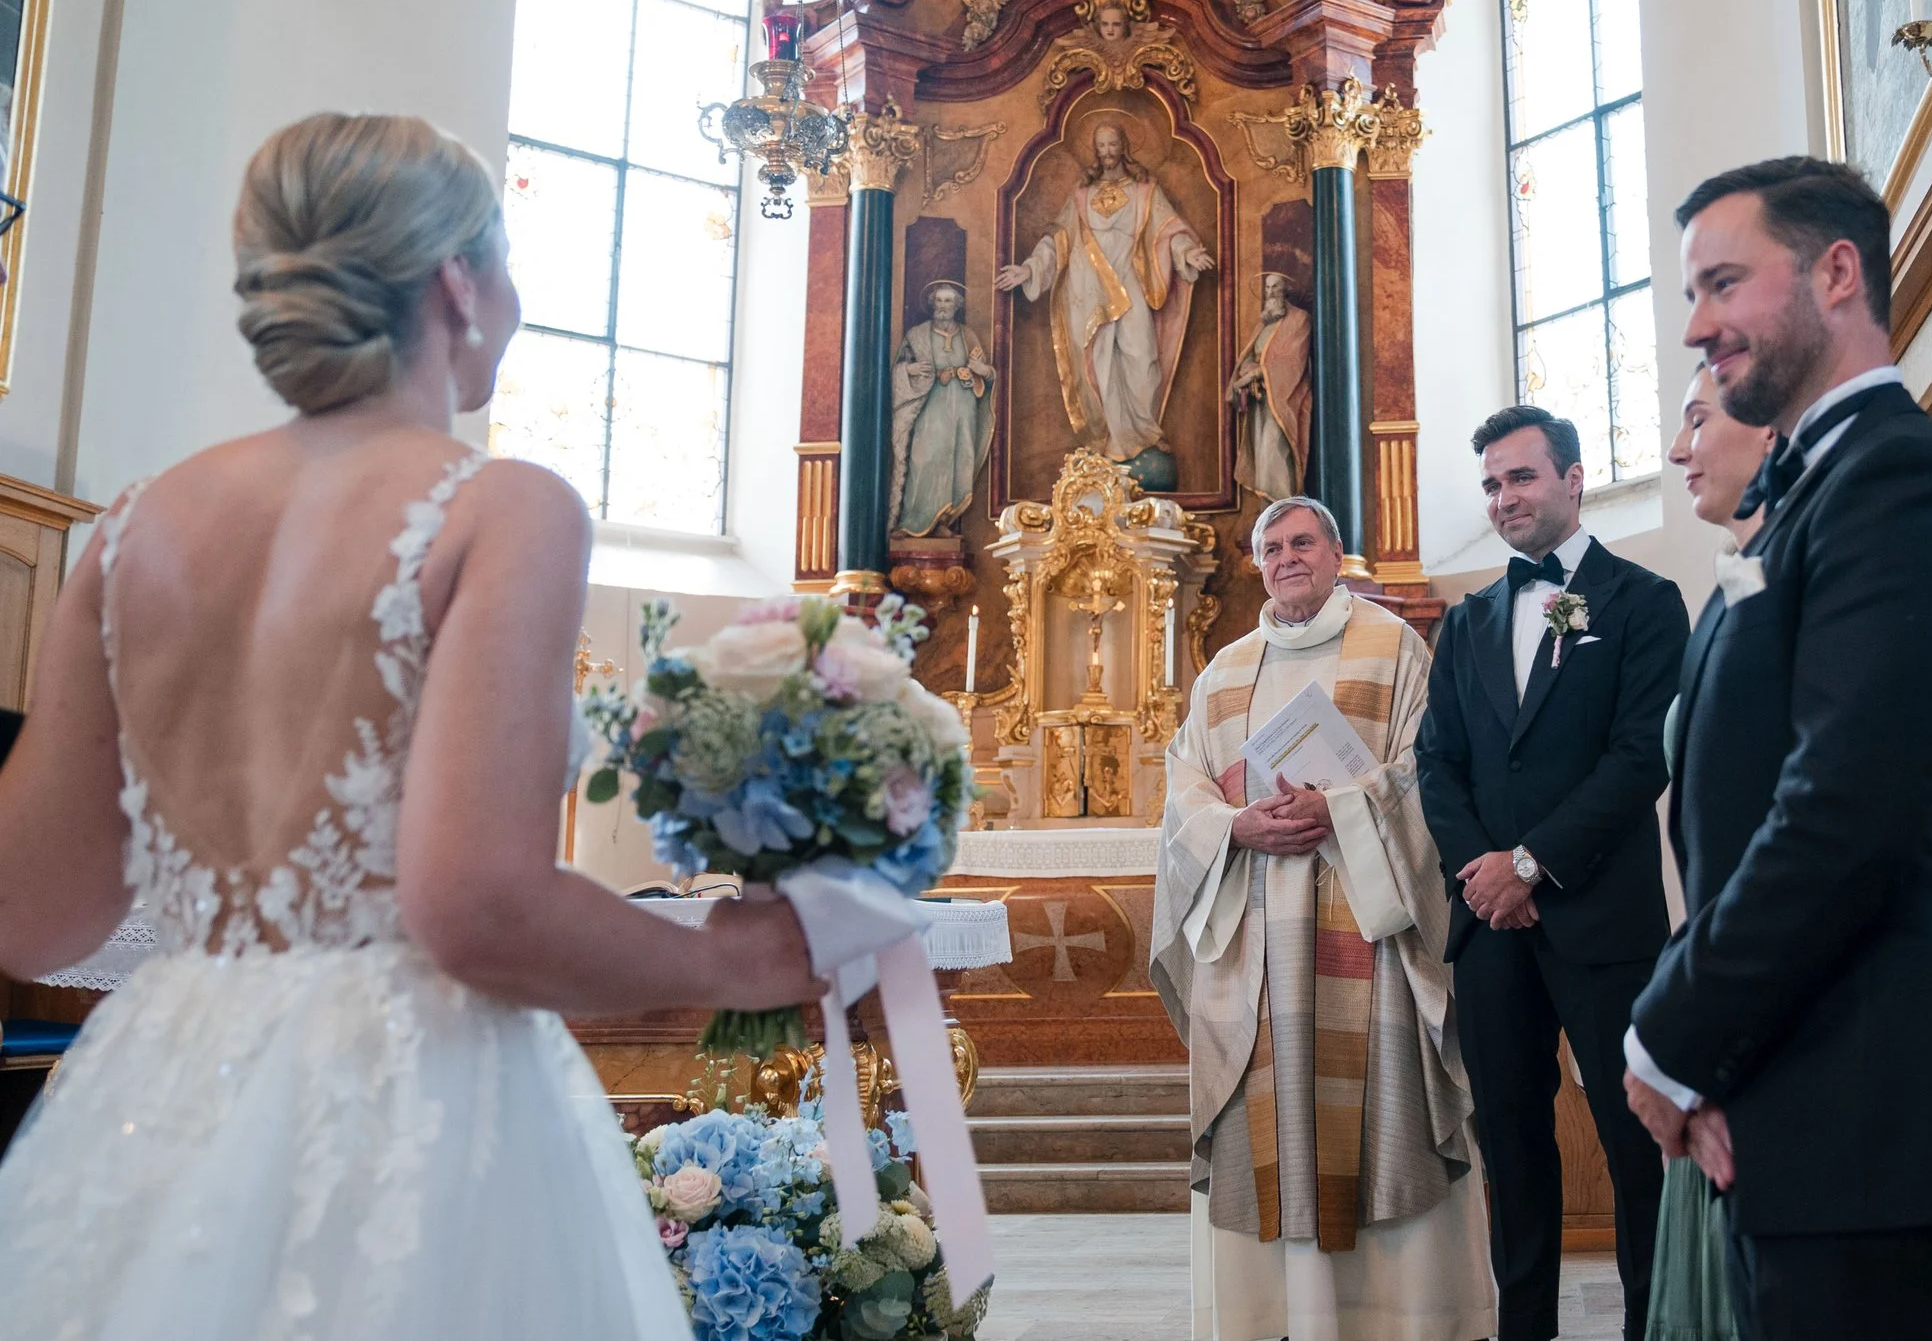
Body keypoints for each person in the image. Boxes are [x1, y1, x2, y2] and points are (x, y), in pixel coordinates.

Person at [0, 113, 823, 1339]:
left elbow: (32, 911)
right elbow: (475, 904)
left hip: (162, 1096)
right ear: (458, 282)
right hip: (405, 1105)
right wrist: (735, 958)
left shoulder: (127, 529)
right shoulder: (502, 508)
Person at [1628, 156, 1932, 1341]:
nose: (1697, 325)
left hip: (1891, 1111)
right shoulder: (1804, 495)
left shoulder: (1905, 480)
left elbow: (1842, 810)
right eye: (1692, 292)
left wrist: (1670, 1033)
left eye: (1723, 282)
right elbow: (1738, 800)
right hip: (1810, 1106)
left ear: (1836, 272)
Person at [1150, 495, 1495, 1341]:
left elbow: (1427, 772)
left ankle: (1404, 1318)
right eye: (1271, 547)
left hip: (1369, 929)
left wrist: (1337, 807)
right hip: (1252, 935)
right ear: (1258, 564)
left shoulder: (1396, 647)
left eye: (1302, 541)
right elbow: (1183, 786)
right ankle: (1273, 1317)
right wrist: (1235, 825)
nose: (1287, 558)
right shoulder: (1224, 669)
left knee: (1384, 1113)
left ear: (1337, 554)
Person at [1414, 407, 1686, 1341]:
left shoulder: (1643, 601)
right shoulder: (1467, 623)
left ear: (1573, 479)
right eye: (1492, 484)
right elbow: (1436, 763)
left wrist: (1530, 864)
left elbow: (1641, 754)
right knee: (1513, 1146)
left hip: (1603, 918)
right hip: (1491, 929)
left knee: (1634, 1141)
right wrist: (1484, 874)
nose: (1504, 497)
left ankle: (1653, 1326)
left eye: (1521, 476)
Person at [1642, 365, 1772, 1341]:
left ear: (1771, 428)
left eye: (1698, 418)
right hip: (1716, 980)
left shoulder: (1802, 584)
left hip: (1766, 1004)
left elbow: (1800, 837)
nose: (1678, 449)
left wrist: (1696, 1027)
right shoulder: (1727, 595)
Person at [995, 118, 1214, 477]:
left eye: (1113, 144)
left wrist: (1187, 252)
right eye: (1101, 146)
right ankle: (1111, 441)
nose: (1107, 152)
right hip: (1089, 288)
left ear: (1124, 146)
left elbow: (1167, 230)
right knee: (1099, 361)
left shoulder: (1145, 190)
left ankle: (1143, 434)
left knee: (1143, 357)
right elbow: (1058, 239)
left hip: (1131, 279)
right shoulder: (1082, 195)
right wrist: (1030, 270)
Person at [891, 278, 997, 536]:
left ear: (956, 305)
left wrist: (980, 371)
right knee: (923, 458)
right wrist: (911, 370)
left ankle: (943, 521)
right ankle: (912, 521)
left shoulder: (968, 335)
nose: (942, 305)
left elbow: (987, 375)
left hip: (963, 407)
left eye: (948, 300)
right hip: (931, 405)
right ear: (932, 303)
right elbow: (897, 371)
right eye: (938, 300)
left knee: (958, 459)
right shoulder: (917, 335)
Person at [1228, 272, 1312, 503]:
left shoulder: (1299, 319)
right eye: (1267, 288)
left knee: (1273, 452)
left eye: (1276, 287)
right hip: (1261, 402)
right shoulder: (1264, 324)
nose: (1271, 292)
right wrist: (1247, 371)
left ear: (1286, 290)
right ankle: (1268, 513)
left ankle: (1283, 508)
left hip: (1284, 400)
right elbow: (1250, 355)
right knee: (1261, 459)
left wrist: (1257, 373)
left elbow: (1292, 360)